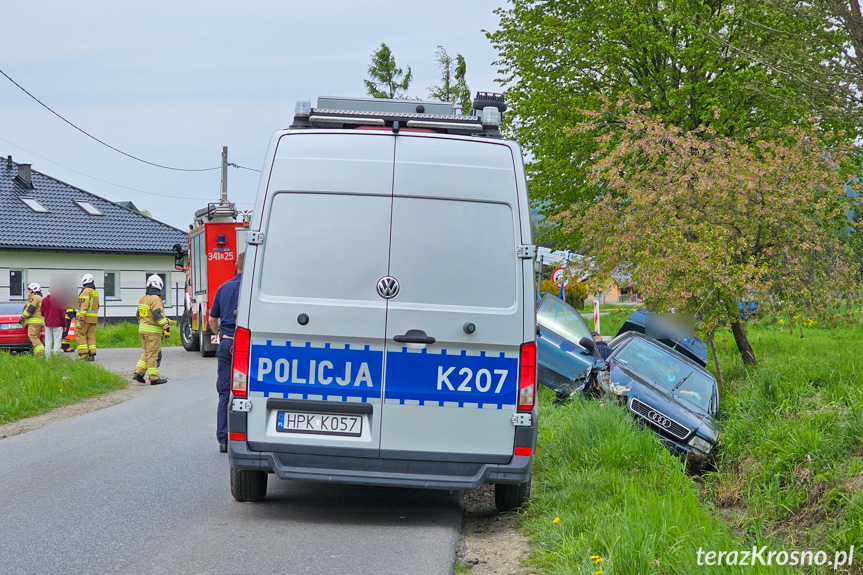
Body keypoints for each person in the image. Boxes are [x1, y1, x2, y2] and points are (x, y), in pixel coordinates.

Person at [209, 252, 244, 453]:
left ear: (235, 265)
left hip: (226, 344)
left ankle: (223, 439)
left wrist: (220, 334)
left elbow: (213, 319)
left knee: (225, 393)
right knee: (244, 392)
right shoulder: (252, 290)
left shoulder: (224, 288)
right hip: (246, 349)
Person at [132, 275, 170, 385]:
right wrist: (166, 326)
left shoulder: (143, 298)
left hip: (142, 329)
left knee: (147, 352)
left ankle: (138, 372)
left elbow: (138, 314)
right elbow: (157, 314)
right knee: (154, 354)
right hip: (153, 332)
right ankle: (154, 378)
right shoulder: (156, 299)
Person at [75, 273, 100, 361]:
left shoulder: (86, 291)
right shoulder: (95, 292)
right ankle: (91, 353)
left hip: (85, 319)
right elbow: (98, 305)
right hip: (93, 319)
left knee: (80, 334)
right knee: (91, 336)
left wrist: (81, 318)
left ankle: (83, 353)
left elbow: (84, 305)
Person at [18, 283, 45, 356]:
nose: (28, 291)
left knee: (33, 337)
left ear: (34, 289)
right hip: (38, 322)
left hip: (34, 323)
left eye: (30, 289)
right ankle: (38, 355)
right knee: (36, 338)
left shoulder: (34, 298)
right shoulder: (39, 298)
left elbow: (30, 309)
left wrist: (22, 317)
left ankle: (41, 352)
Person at [40, 290, 67, 357]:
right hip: (58, 324)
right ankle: (56, 357)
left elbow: (42, 313)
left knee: (48, 341)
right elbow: (62, 315)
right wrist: (64, 325)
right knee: (57, 341)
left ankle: (47, 358)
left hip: (48, 323)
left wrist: (47, 317)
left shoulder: (44, 300)